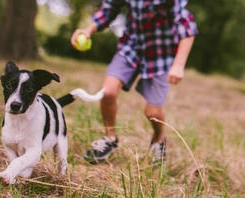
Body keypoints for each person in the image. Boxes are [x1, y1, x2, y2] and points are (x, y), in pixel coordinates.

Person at [71, 0, 198, 164]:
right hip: (131, 47)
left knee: (152, 113)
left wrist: (179, 65)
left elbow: (187, 28)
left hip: (161, 54)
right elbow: (109, 10)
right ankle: (110, 139)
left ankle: (158, 139)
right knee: (108, 92)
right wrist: (88, 30)